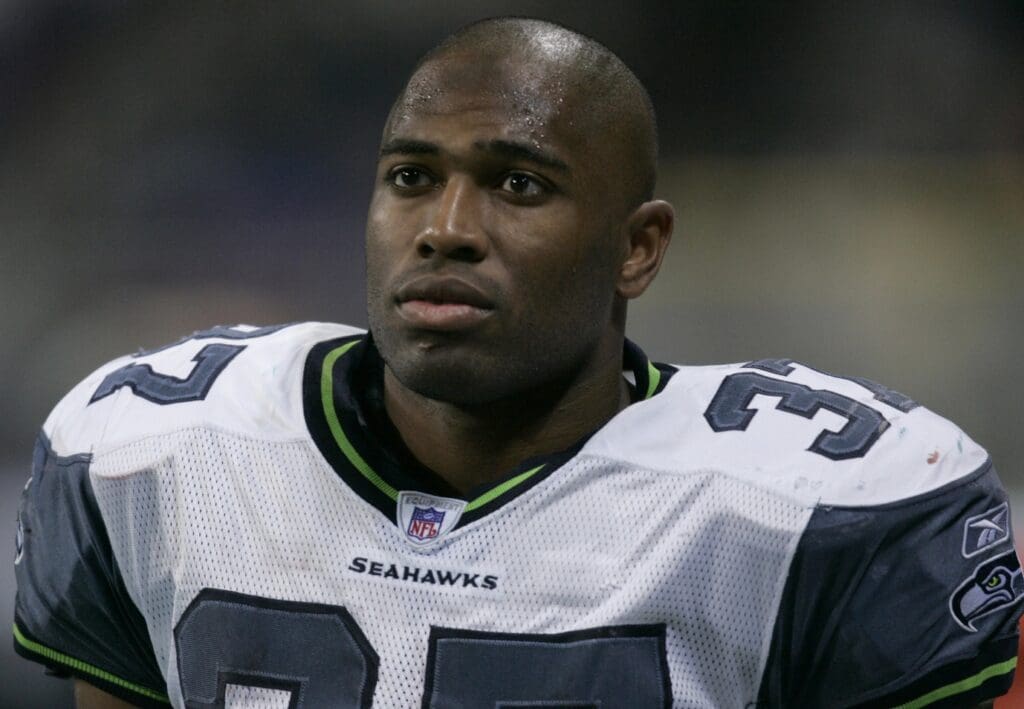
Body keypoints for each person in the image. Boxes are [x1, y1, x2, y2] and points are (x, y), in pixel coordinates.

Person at [13, 16, 1022, 708]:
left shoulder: (816, 510)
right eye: (411, 177)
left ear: (638, 247)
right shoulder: (163, 450)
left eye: (519, 185)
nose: (446, 228)